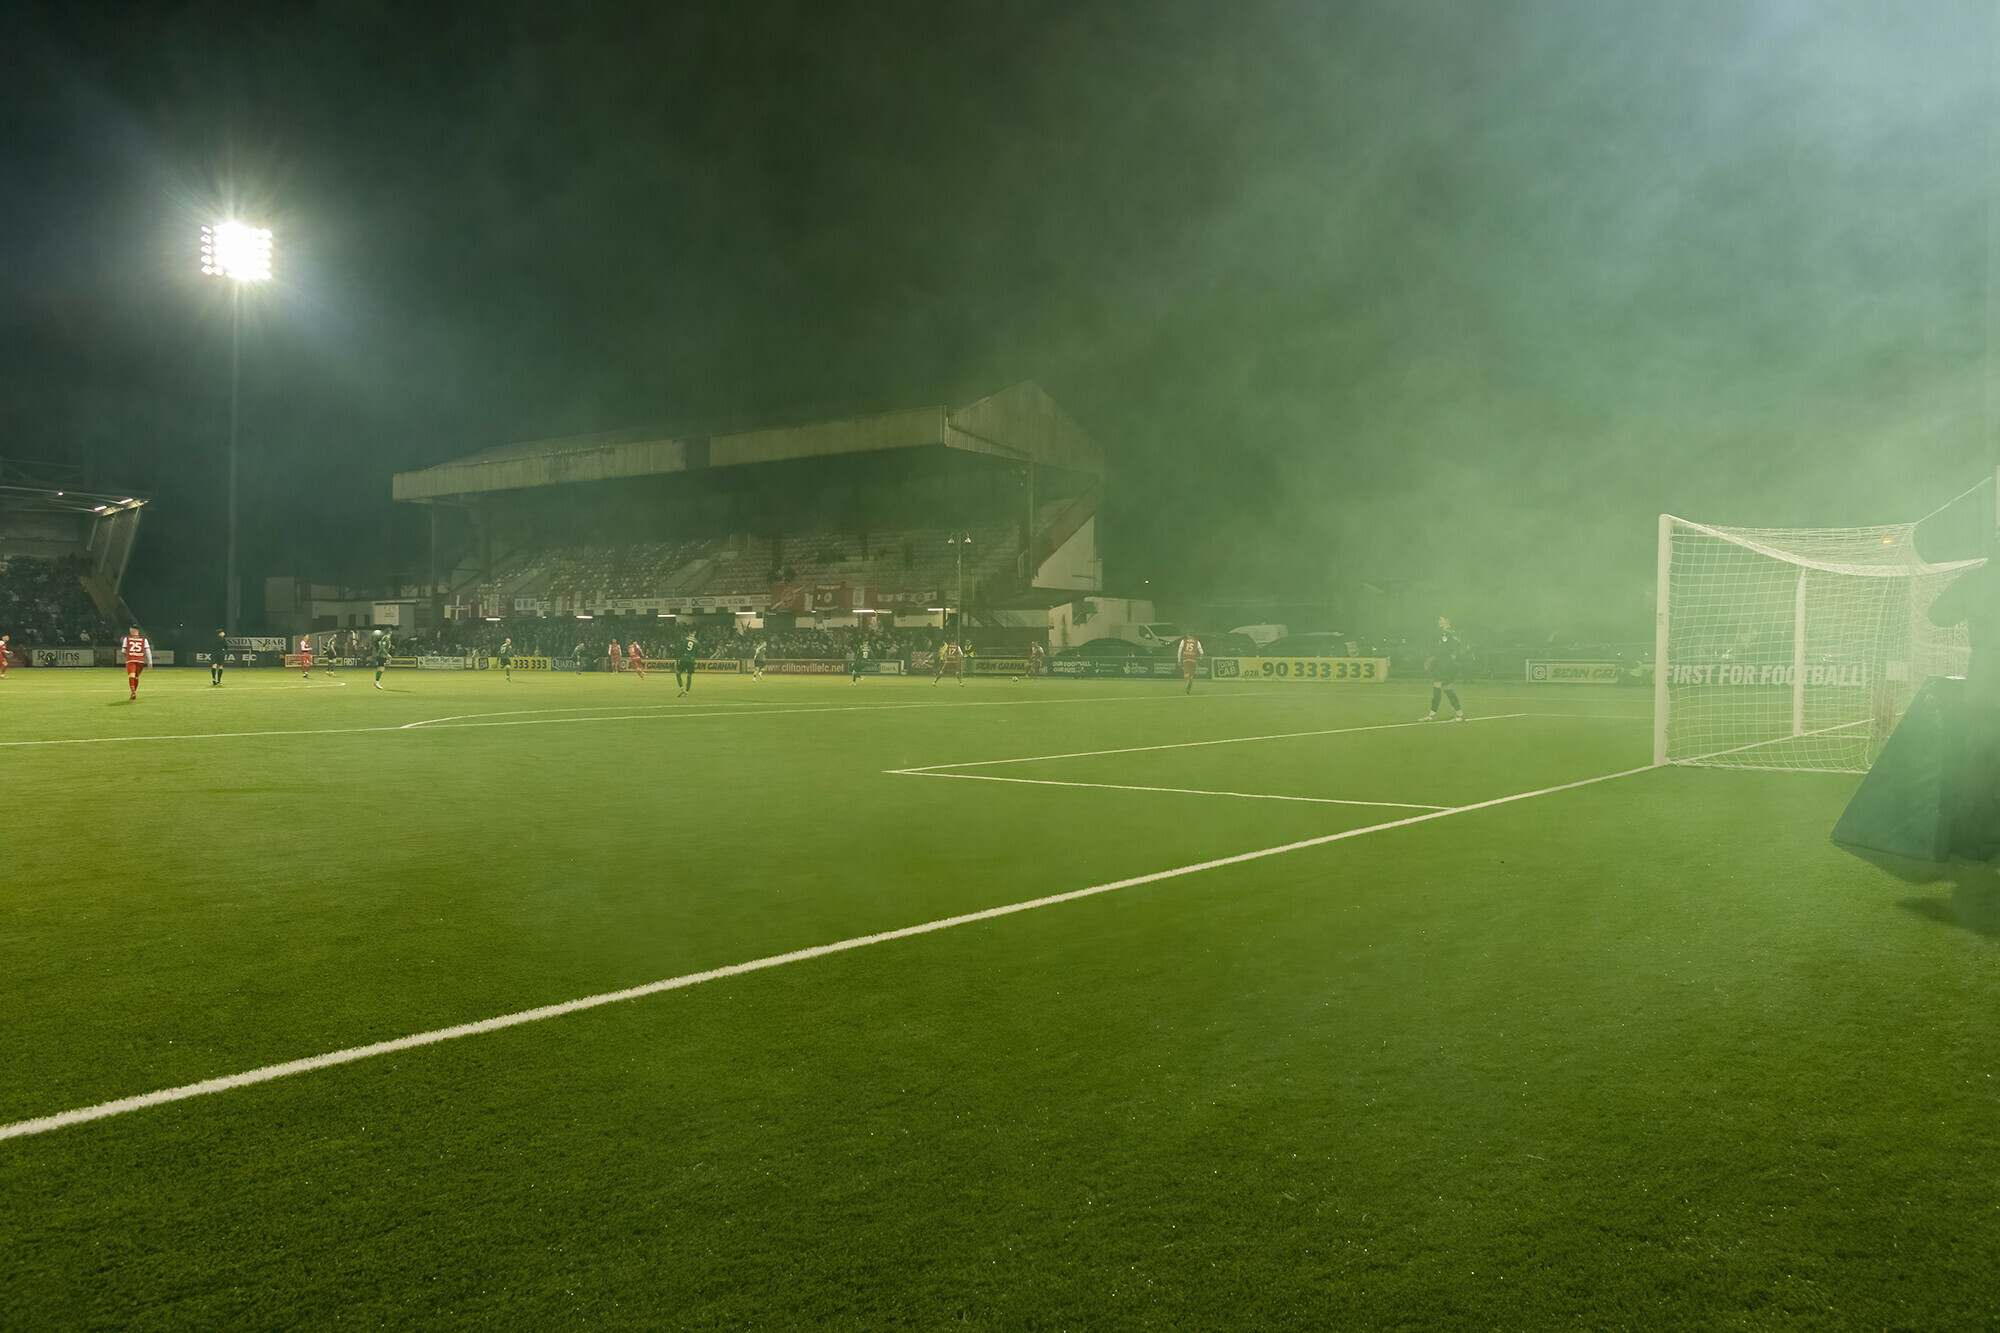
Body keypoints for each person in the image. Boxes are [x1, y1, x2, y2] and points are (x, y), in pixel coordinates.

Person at [1423, 615, 1465, 721]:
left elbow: (1444, 650)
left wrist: (1431, 659)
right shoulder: (1453, 633)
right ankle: (1459, 713)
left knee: (1437, 684)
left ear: (1446, 620)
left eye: (1440, 619)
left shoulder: (1445, 634)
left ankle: (1432, 714)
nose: (1438, 622)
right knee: (1447, 688)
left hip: (1445, 664)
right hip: (1453, 665)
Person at [122, 624, 152, 701]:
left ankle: (133, 692)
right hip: (140, 660)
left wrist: (127, 656)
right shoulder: (144, 639)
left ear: (132, 630)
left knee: (132, 675)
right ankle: (134, 692)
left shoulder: (127, 638)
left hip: (131, 659)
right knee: (136, 677)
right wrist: (150, 661)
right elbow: (148, 651)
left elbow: (123, 650)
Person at [676, 629, 699, 695]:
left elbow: (681, 648)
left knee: (678, 673)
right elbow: (697, 651)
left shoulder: (685, 639)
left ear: (689, 633)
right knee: (689, 675)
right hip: (691, 660)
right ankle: (687, 691)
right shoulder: (697, 642)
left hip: (684, 658)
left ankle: (682, 688)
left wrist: (680, 656)